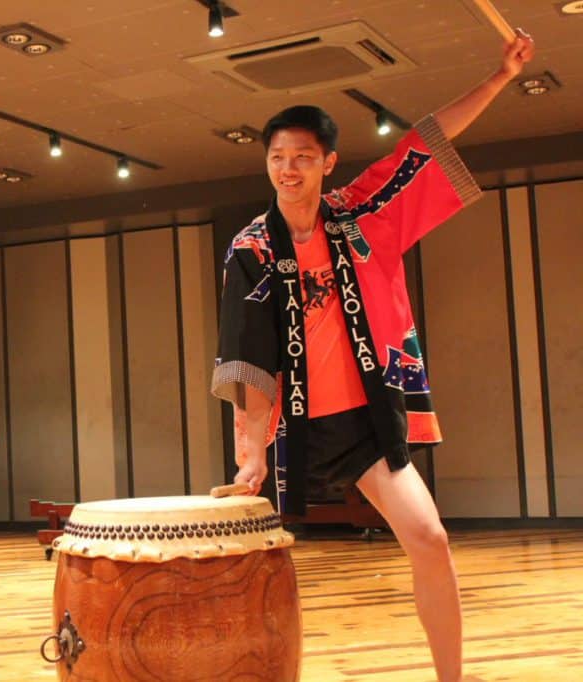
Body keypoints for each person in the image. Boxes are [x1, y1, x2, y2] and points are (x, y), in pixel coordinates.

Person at [211, 30, 535, 682]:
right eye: (277, 157)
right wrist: (250, 453)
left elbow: (426, 143)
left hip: (364, 422)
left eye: (303, 156)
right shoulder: (250, 252)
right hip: (292, 430)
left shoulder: (364, 215)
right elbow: (248, 359)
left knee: (431, 540)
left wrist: (500, 78)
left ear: (328, 162)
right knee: (246, 566)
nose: (289, 169)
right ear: (266, 164)